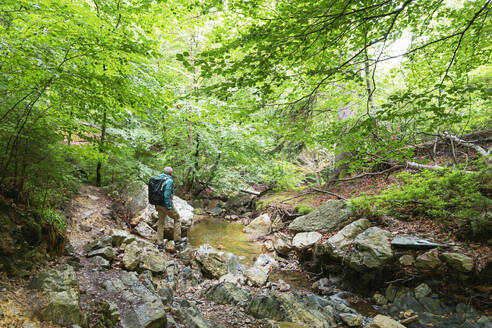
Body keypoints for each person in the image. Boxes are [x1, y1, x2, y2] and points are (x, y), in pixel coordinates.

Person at [155, 166, 181, 245]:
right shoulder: (169, 181)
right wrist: (169, 207)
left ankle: (159, 243)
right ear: (171, 173)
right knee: (177, 219)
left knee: (161, 223)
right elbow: (166, 196)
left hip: (158, 204)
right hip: (165, 205)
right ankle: (177, 240)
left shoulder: (158, 179)